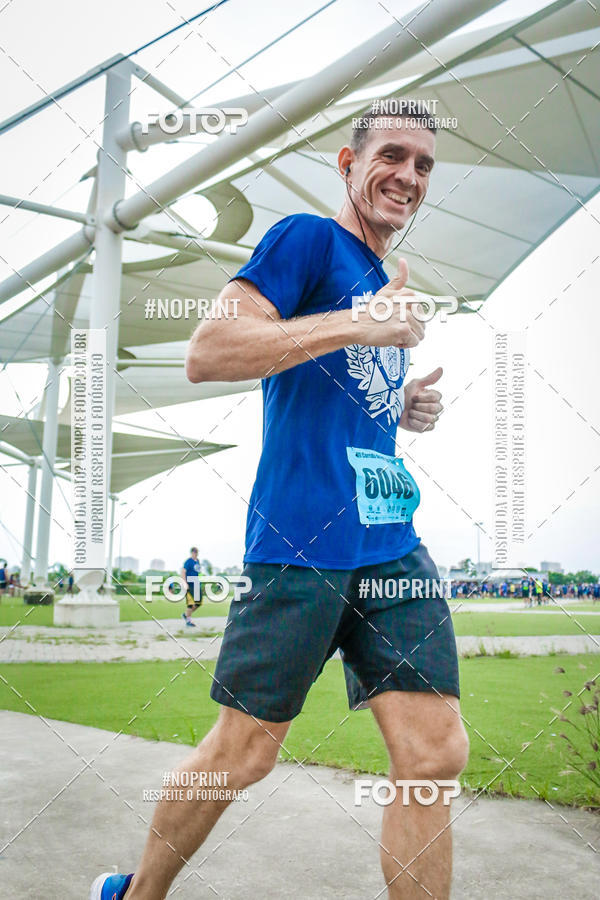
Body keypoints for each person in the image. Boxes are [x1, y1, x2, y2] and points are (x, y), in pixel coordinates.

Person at [92, 100, 469, 900]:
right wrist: (358, 323)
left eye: (425, 164)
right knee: (246, 753)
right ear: (347, 163)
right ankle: (138, 892)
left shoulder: (381, 280)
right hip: (301, 543)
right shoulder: (306, 240)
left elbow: (334, 385)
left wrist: (403, 407)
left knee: (434, 754)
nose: (408, 175)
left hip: (390, 544)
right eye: (392, 155)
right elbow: (211, 351)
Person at [181, 546, 202, 627]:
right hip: (189, 584)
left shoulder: (198, 561)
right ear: (192, 553)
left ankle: (186, 615)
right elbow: (183, 572)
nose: (196, 554)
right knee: (190, 603)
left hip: (196, 584)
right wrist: (185, 583)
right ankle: (188, 621)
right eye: (195, 552)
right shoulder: (188, 561)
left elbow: (198, 573)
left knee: (198, 602)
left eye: (197, 552)